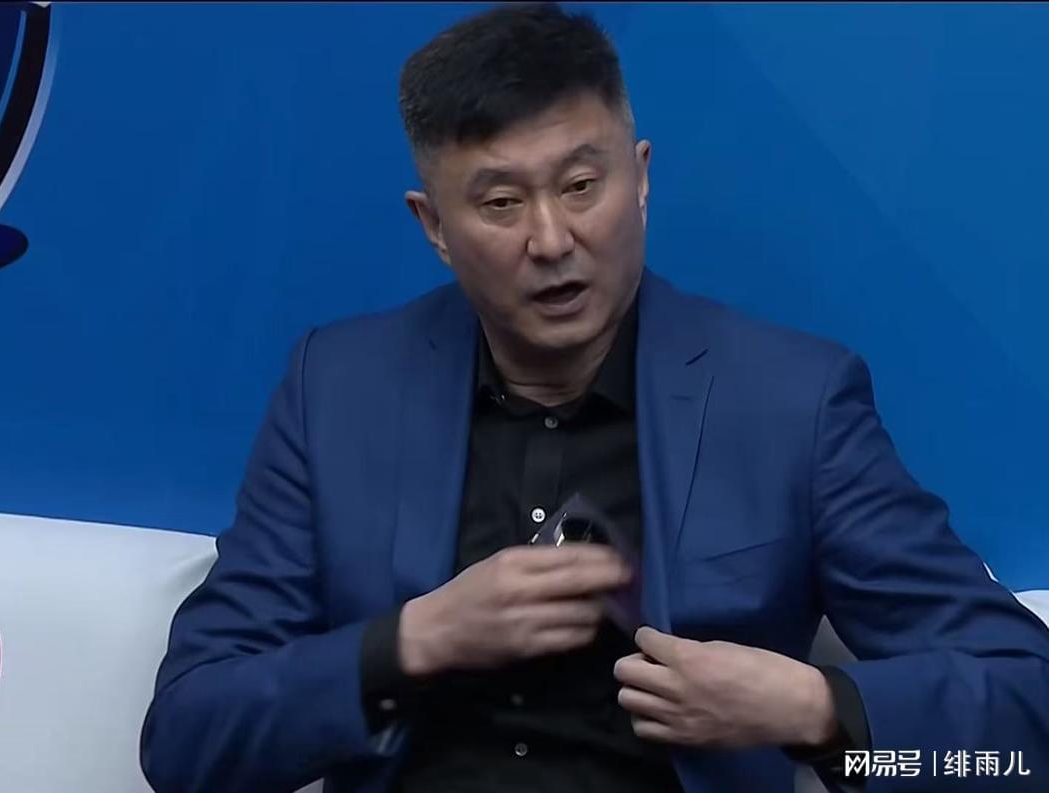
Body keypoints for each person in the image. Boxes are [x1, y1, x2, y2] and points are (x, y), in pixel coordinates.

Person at [140, 4, 1049, 792]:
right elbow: (186, 742)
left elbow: (1026, 725)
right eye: (501, 203)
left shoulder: (791, 405)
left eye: (582, 186)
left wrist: (816, 707)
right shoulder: (337, 390)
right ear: (435, 227)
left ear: (640, 178)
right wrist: (414, 642)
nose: (551, 239)